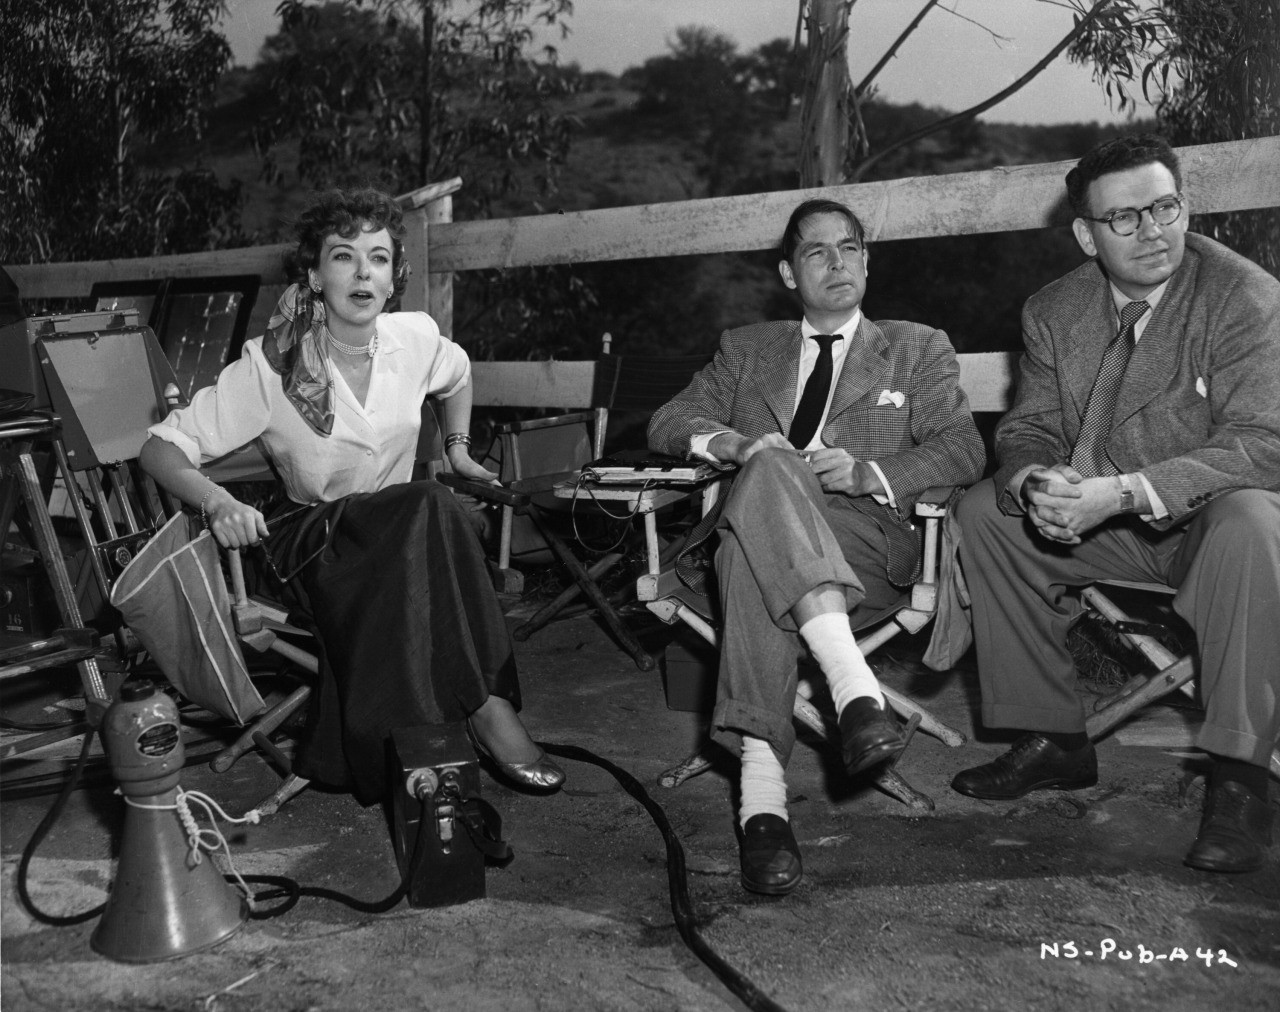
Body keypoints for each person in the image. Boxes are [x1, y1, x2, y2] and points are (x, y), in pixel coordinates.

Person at [140, 187, 565, 804]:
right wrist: (216, 500)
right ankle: (486, 704)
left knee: (428, 509)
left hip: (406, 540)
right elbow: (160, 448)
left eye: (379, 258)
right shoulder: (271, 364)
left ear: (395, 279)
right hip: (314, 545)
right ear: (314, 275)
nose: (363, 272)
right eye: (344, 256)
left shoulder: (414, 338)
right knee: (431, 507)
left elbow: (459, 372)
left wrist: (459, 448)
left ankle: (452, 724)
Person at [953, 134, 1280, 873]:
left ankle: (1240, 777)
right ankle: (1057, 739)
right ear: (1085, 234)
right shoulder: (1052, 309)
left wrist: (1123, 492)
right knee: (986, 511)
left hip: (1222, 525)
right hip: (1112, 521)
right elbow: (1029, 427)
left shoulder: (1245, 297)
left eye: (1165, 207)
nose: (1153, 231)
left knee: (1249, 520)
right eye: (1125, 217)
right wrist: (1036, 479)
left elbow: (1265, 442)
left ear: (1185, 206)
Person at [648, 198, 985, 895]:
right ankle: (852, 690)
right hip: (763, 538)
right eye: (817, 253)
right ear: (787, 273)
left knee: (746, 554)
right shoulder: (746, 350)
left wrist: (873, 473)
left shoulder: (917, 346)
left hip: (864, 544)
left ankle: (761, 803)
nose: (838, 264)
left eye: (851, 248)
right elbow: (668, 419)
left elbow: (963, 448)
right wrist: (738, 444)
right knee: (765, 485)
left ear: (867, 260)